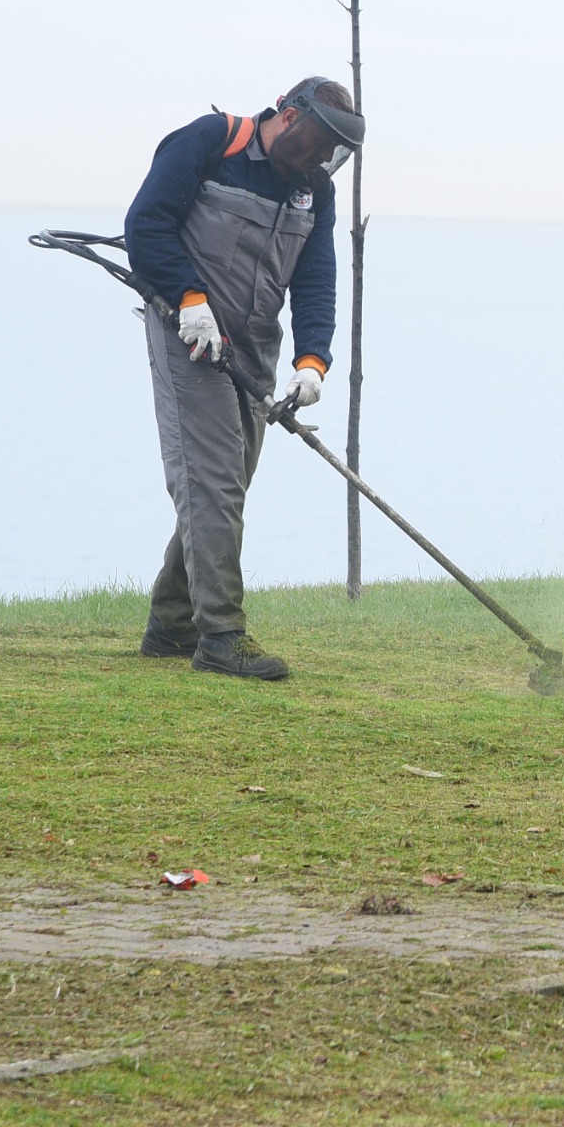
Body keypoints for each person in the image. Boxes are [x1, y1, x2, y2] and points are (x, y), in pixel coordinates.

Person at [123, 78, 364, 680]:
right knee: (214, 483)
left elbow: (316, 277)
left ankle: (172, 622)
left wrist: (313, 360)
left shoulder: (315, 191)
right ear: (289, 116)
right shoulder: (210, 143)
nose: (319, 159)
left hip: (254, 347)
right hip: (187, 335)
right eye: (315, 143)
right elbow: (146, 224)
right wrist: (189, 298)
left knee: (228, 482)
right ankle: (221, 637)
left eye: (331, 152)